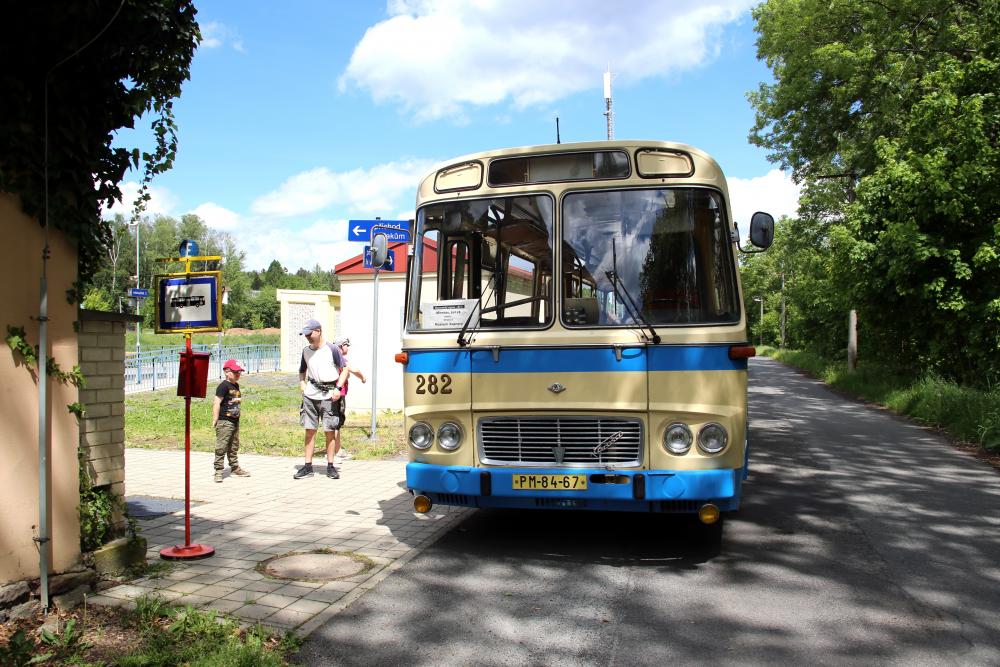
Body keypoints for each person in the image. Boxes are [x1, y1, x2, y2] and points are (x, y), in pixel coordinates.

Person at [294, 319, 349, 479]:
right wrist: (302, 385)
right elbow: (302, 370)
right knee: (310, 430)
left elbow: (344, 369)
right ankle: (307, 466)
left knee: (329, 430)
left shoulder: (332, 349)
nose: (308, 337)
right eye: (305, 335)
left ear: (318, 331)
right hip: (311, 395)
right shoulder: (306, 351)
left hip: (329, 395)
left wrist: (338, 388)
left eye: (310, 334)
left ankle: (331, 466)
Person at [212, 359, 251, 482]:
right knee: (221, 446)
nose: (238, 375)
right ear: (226, 371)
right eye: (235, 372)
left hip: (235, 421)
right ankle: (218, 470)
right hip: (224, 422)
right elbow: (217, 402)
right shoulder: (223, 386)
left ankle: (234, 467)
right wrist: (215, 419)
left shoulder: (236, 385)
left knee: (234, 446)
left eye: (239, 372)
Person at [332, 337, 366, 463]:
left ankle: (338, 449)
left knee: (336, 423)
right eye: (346, 345)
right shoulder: (341, 359)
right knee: (335, 422)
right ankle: (334, 452)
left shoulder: (332, 358)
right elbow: (354, 370)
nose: (348, 347)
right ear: (341, 346)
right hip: (338, 394)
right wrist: (363, 377)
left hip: (336, 394)